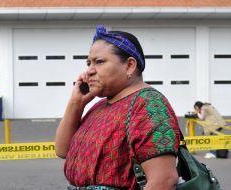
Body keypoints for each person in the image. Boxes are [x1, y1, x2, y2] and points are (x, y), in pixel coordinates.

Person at [55, 25, 181, 190]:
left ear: (129, 65)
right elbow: (63, 150)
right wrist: (76, 103)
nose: (89, 71)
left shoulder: (149, 105)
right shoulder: (100, 106)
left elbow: (163, 180)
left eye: (99, 62)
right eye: (88, 63)